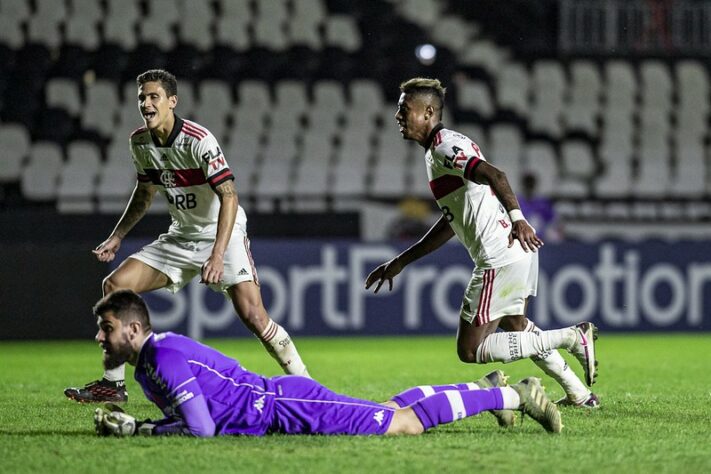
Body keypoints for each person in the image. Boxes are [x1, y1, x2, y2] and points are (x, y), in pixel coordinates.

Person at [65, 69, 310, 404]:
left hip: (221, 231)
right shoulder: (140, 142)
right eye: (142, 98)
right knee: (115, 286)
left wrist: (217, 253)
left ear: (172, 102)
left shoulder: (198, 140)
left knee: (255, 317)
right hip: (182, 235)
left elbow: (230, 196)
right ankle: (113, 384)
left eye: (154, 97)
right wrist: (117, 236)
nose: (146, 104)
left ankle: (308, 386)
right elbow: (144, 192)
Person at [365, 78, 599, 408]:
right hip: (512, 251)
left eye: (405, 108)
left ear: (428, 111)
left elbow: (496, 175)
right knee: (517, 327)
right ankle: (580, 393)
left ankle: (572, 336)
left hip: (499, 254)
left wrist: (519, 219)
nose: (398, 115)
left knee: (470, 349)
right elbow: (450, 222)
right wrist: (401, 261)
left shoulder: (446, 147)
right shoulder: (439, 151)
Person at [91, 290, 563, 437]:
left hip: (287, 408)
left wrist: (141, 430)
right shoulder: (148, 364)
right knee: (387, 409)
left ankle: (510, 395)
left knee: (402, 425)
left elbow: (201, 430)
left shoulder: (163, 357)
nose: (100, 337)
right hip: (283, 403)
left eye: (107, 327)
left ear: (134, 329)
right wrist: (144, 426)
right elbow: (192, 417)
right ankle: (486, 388)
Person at [518, 172, 563, 243]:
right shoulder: (516, 202)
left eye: (531, 185)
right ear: (523, 185)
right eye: (527, 184)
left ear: (534, 185)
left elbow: (554, 220)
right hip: (521, 238)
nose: (529, 187)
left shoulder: (542, 203)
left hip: (541, 239)